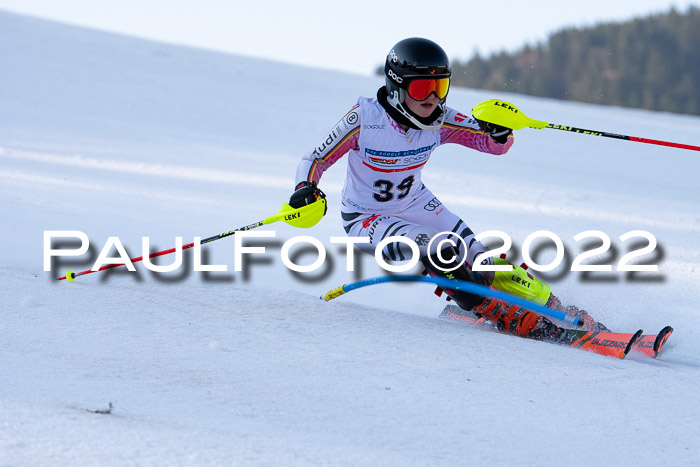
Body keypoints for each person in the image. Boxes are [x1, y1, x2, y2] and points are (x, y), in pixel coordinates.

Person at [288, 37, 608, 340]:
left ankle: (558, 312)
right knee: (439, 250)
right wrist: (306, 187)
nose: (433, 98)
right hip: (367, 219)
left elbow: (489, 142)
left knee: (483, 260)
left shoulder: (439, 119)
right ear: (397, 86)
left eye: (440, 86)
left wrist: (500, 134)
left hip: (416, 204)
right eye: (422, 87)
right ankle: (503, 315)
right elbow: (315, 157)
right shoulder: (365, 119)